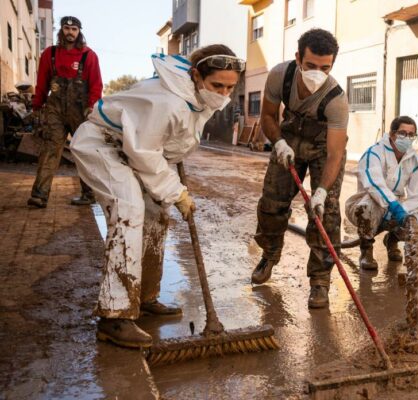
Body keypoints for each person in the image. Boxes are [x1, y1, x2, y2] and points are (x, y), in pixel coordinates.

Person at [70, 45, 244, 348]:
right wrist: (177, 192)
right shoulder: (170, 100)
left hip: (132, 149)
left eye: (230, 87)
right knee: (129, 209)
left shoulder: (196, 98)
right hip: (103, 144)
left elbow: (167, 145)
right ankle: (115, 316)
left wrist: (171, 188)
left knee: (156, 215)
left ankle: (145, 297)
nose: (224, 93)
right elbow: (145, 153)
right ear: (196, 75)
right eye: (217, 85)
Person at [250, 29, 349, 310]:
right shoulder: (280, 76)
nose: (317, 73)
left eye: (325, 68)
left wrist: (320, 191)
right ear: (298, 58)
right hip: (289, 137)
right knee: (271, 203)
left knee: (325, 212)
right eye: (311, 66)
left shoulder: (336, 100)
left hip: (322, 146)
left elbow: (335, 153)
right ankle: (270, 254)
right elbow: (268, 116)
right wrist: (278, 143)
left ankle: (320, 280)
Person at [28, 16, 102, 208]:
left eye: (74, 29)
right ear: (61, 31)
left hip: (81, 110)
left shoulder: (89, 56)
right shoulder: (50, 54)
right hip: (55, 110)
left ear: (79, 32)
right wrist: (37, 106)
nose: (70, 32)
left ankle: (88, 194)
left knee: (83, 152)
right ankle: (39, 195)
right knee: (50, 150)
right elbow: (42, 82)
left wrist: (91, 107)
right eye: (67, 28)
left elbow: (96, 85)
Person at [346, 116, 418, 270]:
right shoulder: (374, 152)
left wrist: (403, 210)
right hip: (368, 202)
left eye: (411, 135)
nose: (407, 138)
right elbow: (374, 183)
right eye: (402, 133)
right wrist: (393, 206)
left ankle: (392, 239)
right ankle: (366, 250)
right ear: (392, 134)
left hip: (396, 206)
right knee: (366, 208)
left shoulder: (416, 161)